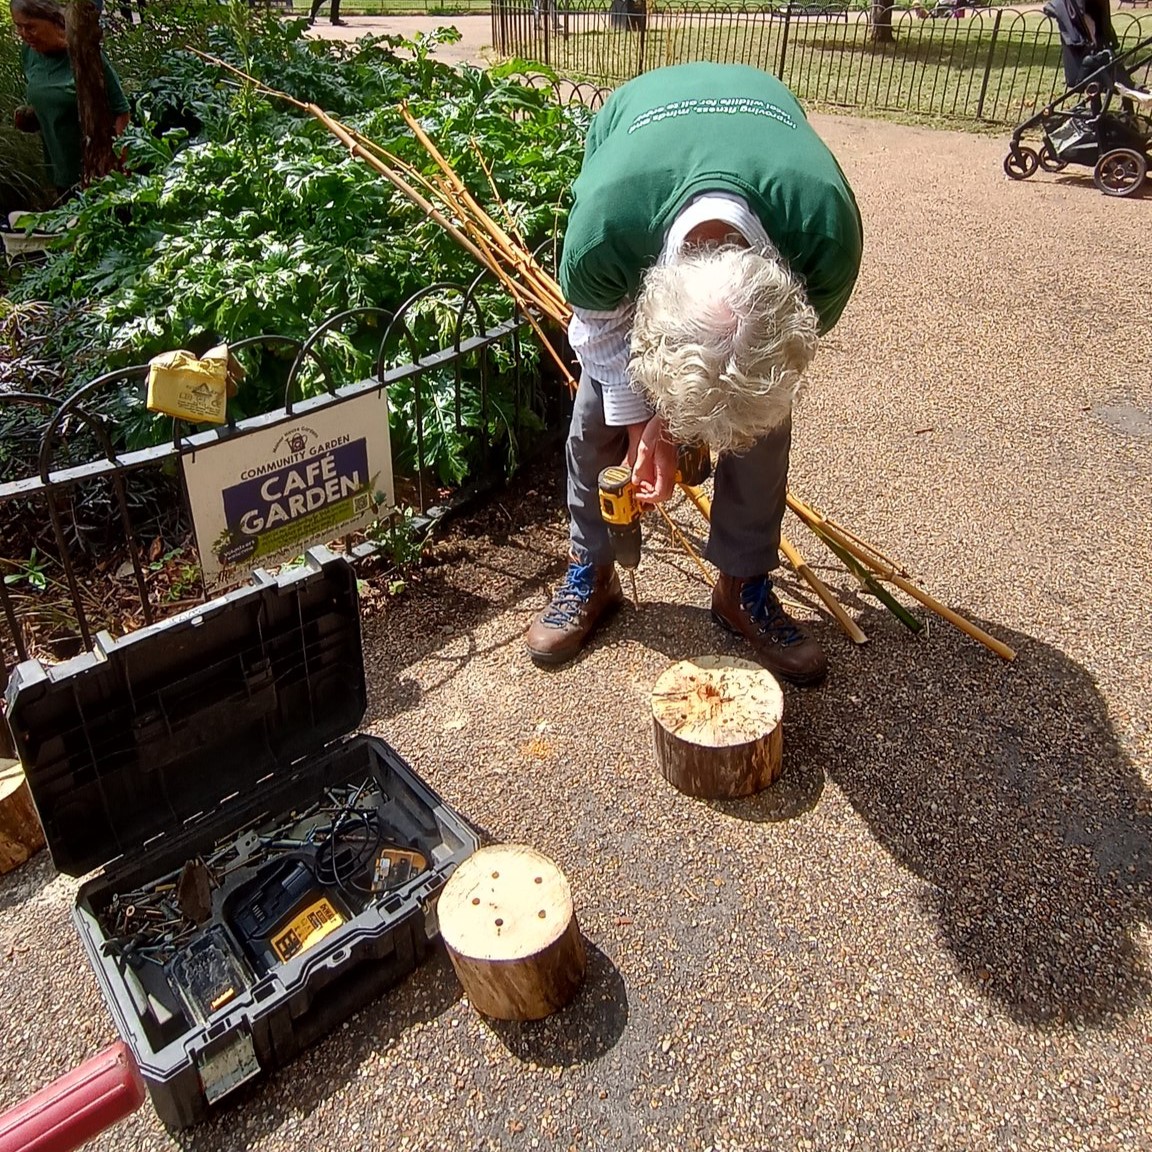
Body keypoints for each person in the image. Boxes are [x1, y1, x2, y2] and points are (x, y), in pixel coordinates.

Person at [525, 63, 864, 687]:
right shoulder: (604, 234)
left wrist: (682, 428)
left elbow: (768, 363)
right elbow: (602, 335)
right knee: (597, 415)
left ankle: (743, 586)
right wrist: (640, 430)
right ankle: (592, 571)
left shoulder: (825, 242)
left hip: (762, 123)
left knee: (758, 413)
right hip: (641, 131)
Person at [10, 0, 130, 199]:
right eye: (18, 26)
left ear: (54, 21)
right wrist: (31, 115)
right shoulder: (29, 54)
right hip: (60, 172)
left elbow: (121, 111)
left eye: (30, 27)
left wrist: (119, 164)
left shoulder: (86, 55)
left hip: (98, 173)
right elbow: (49, 96)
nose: (23, 34)